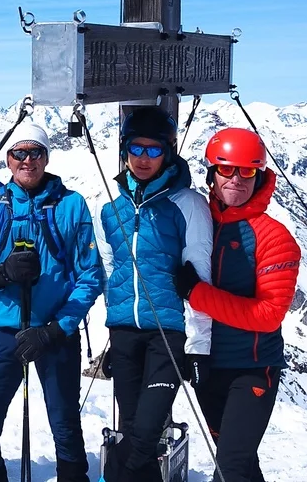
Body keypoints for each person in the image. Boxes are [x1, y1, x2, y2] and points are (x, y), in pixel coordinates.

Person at [0, 123, 103, 482]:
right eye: (19, 153)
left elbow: (91, 276)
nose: (27, 160)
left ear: (46, 156)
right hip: (3, 332)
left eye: (35, 152)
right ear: (8, 160)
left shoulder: (71, 205)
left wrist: (58, 329)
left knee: (65, 425)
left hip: (54, 333)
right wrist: (1, 275)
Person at [174, 128, 301, 482]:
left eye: (247, 171)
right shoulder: (197, 223)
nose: (236, 179)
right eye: (226, 169)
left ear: (259, 176)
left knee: (229, 467)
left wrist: (197, 294)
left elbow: (268, 315)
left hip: (252, 368)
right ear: (211, 175)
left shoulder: (274, 238)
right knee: (241, 462)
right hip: (207, 365)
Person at [93, 106, 213, 482]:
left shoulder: (187, 204)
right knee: (131, 429)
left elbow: (199, 278)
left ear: (169, 152)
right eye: (136, 149)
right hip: (124, 333)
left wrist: (198, 347)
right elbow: (111, 272)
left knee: (143, 435)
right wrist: (111, 330)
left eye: (154, 150)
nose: (144, 159)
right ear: (125, 150)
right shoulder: (109, 206)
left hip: (168, 333)